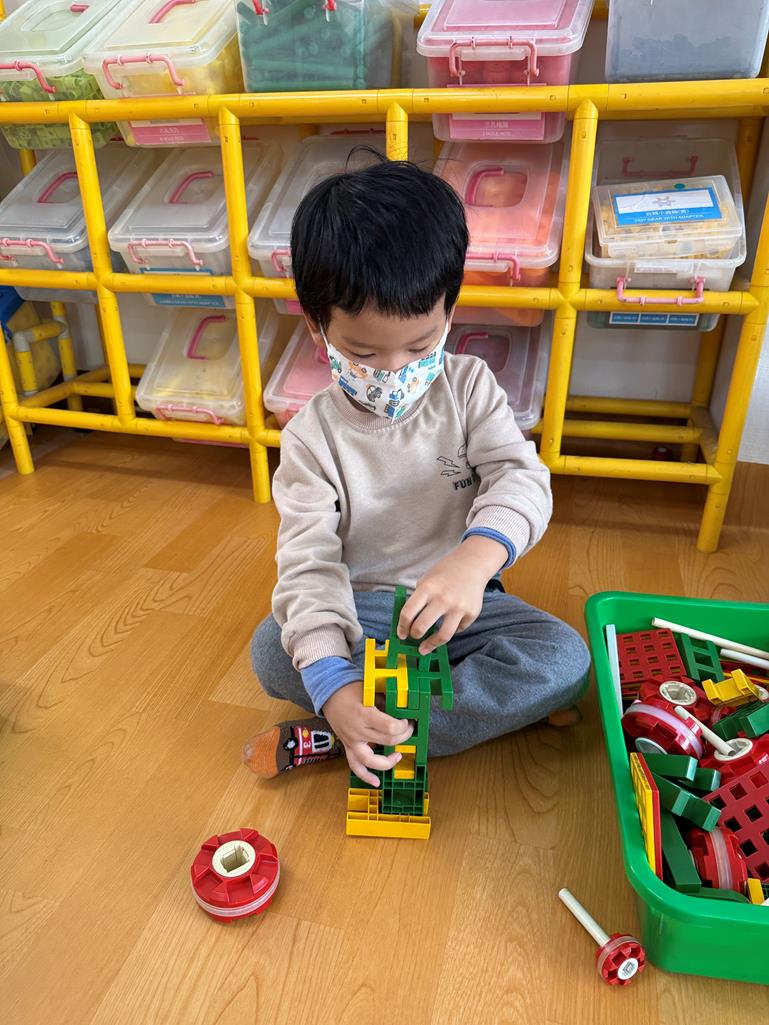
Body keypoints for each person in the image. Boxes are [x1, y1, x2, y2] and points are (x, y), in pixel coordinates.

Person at [244, 156, 590, 786]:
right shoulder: (309, 439)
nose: (395, 371)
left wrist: (475, 559)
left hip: (462, 606)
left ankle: (356, 732)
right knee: (273, 649)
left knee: (565, 660)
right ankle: (384, 719)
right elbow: (308, 564)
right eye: (363, 351)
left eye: (421, 345)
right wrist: (331, 677)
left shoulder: (470, 387)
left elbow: (521, 479)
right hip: (363, 611)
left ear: (449, 313)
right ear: (317, 327)